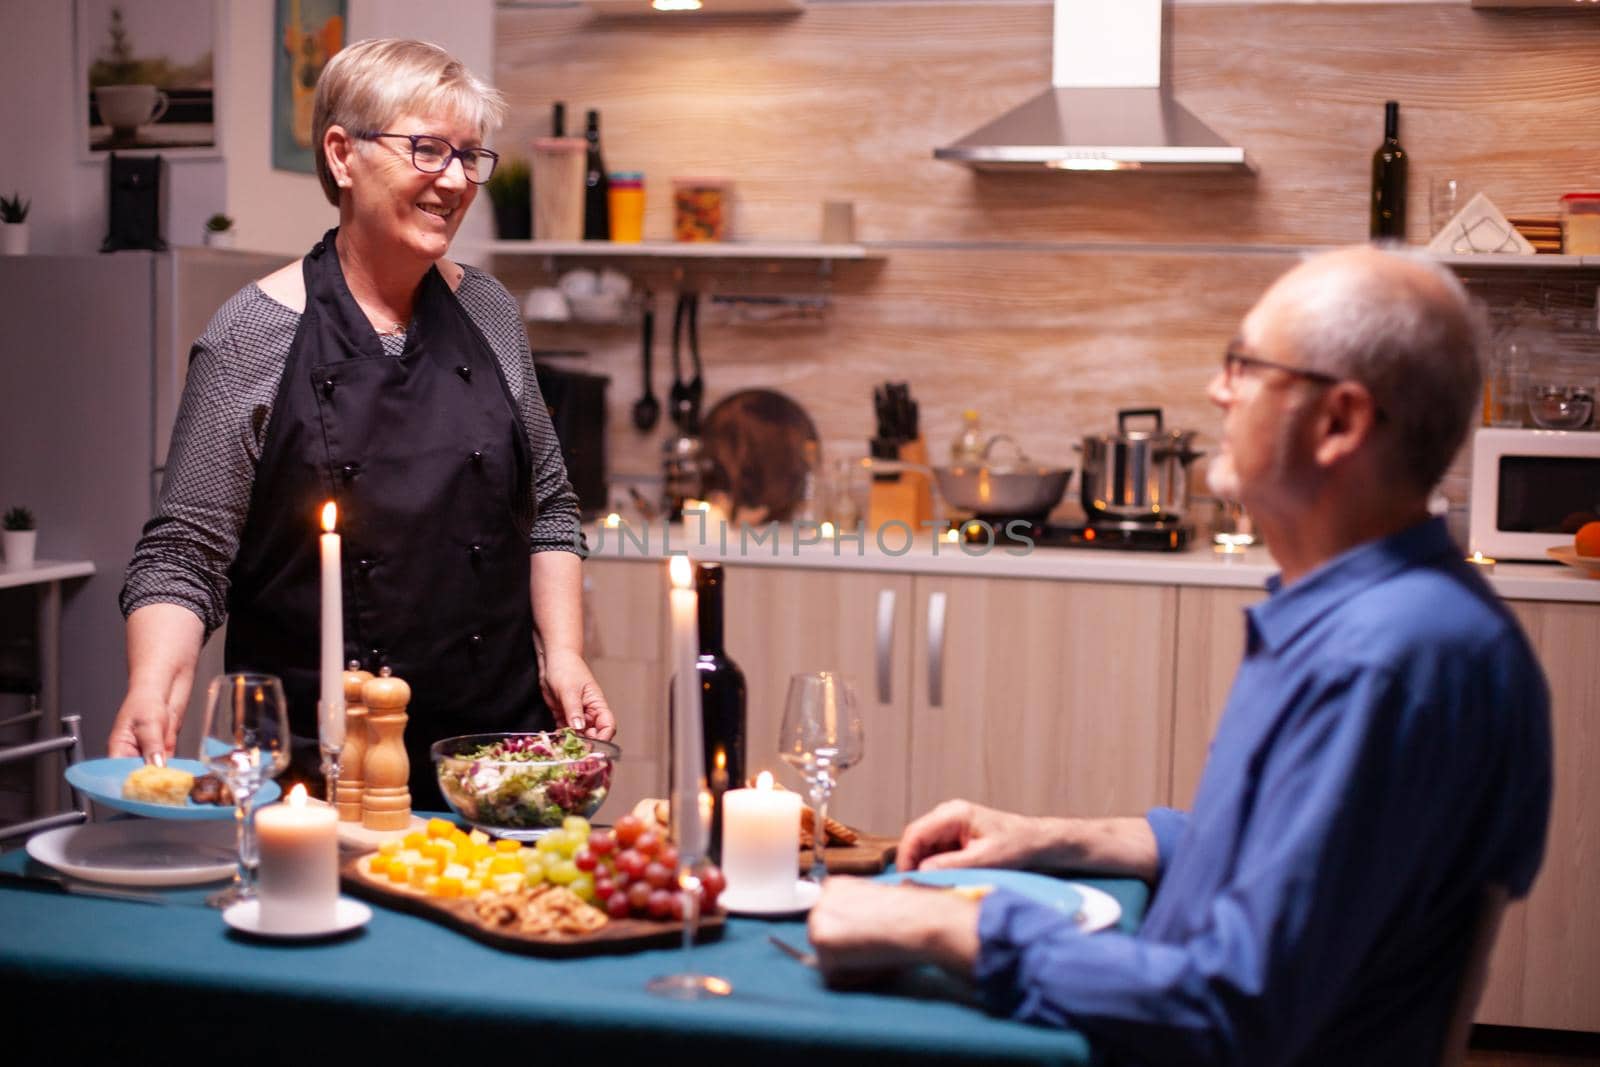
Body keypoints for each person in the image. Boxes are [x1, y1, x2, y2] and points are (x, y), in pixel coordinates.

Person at [807, 246, 1552, 1066]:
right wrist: (1057, 837)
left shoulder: (1387, 661)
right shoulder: (1371, 622)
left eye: (1246, 365)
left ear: (1340, 422)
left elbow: (1229, 1007)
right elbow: (1305, 863)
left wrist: (953, 923)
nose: (1216, 389)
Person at [108, 39, 613, 809]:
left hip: (493, 764)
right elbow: (185, 553)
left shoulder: (489, 311)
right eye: (428, 150)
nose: (455, 180)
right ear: (342, 155)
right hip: (317, 774)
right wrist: (152, 685)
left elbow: (550, 506)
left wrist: (566, 653)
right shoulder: (252, 332)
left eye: (470, 156)